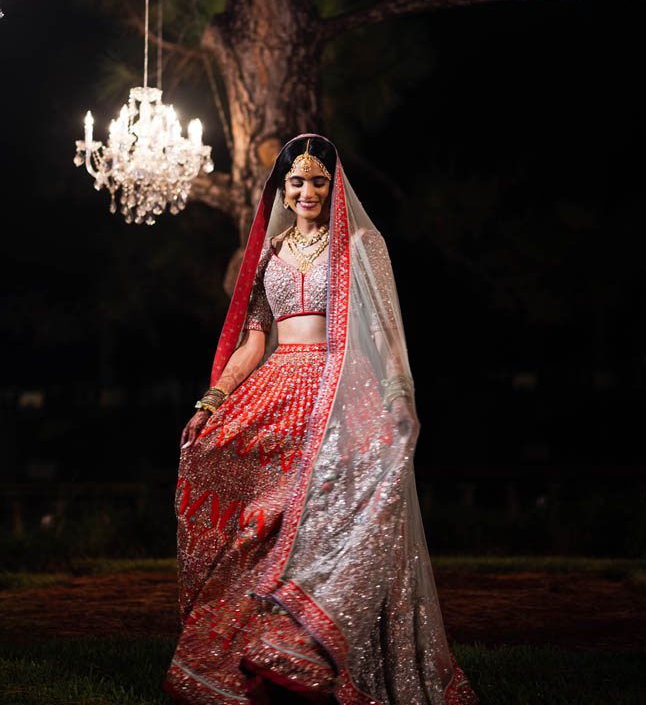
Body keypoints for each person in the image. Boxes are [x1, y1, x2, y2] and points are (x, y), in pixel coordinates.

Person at [164, 134, 477, 705]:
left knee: (334, 519)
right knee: (260, 524)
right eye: (296, 182)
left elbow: (383, 331)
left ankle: (327, 658)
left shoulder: (360, 244)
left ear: (334, 187)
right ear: (281, 189)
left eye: (317, 181)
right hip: (279, 386)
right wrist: (212, 399)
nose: (306, 191)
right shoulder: (269, 252)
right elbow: (254, 339)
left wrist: (398, 397)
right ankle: (259, 654)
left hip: (342, 391)